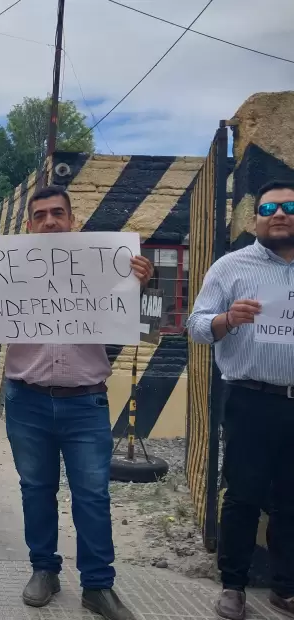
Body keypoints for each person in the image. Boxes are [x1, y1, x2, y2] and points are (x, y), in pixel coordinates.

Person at [0, 185, 153, 620]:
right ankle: (44, 570)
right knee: (36, 490)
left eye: (58, 214)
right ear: (29, 225)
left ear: (72, 220)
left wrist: (141, 283)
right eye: (41, 215)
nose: (49, 222)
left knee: (92, 495)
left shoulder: (108, 268)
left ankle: (98, 586)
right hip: (26, 399)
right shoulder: (7, 272)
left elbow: (140, 322)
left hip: (86, 402)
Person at [187, 180, 294, 620]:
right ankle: (233, 586)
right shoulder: (231, 267)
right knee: (244, 496)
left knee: (292, 500)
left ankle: (285, 589)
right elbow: (195, 325)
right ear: (255, 219)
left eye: (290, 205)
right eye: (269, 206)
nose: (280, 213)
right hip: (251, 399)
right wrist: (228, 319)